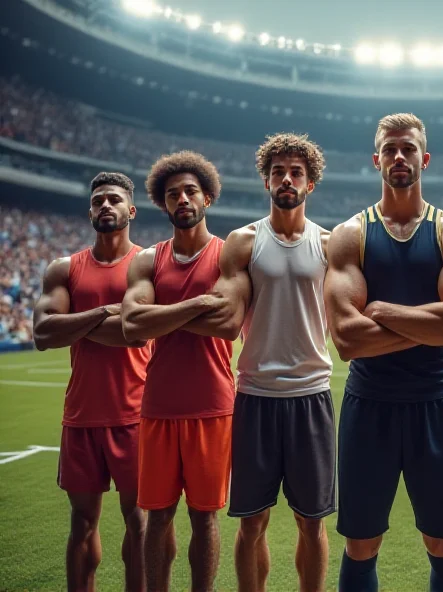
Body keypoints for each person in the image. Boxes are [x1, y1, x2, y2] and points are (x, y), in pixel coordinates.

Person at [324, 113, 443, 592]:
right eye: (389, 149)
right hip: (368, 406)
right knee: (361, 542)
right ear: (376, 160)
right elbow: (347, 339)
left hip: (435, 404)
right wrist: (430, 325)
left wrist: (385, 310)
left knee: (442, 540)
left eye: (408, 148)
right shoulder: (350, 234)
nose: (398, 157)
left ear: (424, 158)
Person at [190, 133, 336, 592]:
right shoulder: (243, 242)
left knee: (311, 523)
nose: (287, 179)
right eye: (278, 172)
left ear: (310, 183)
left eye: (296, 172)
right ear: (266, 180)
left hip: (311, 395)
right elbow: (228, 318)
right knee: (251, 523)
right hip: (254, 395)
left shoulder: (330, 244)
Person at [121, 151, 235, 592]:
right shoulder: (148, 260)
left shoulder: (228, 254)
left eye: (190, 191)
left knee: (204, 518)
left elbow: (227, 322)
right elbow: (133, 326)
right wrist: (198, 304)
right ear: (163, 204)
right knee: (157, 515)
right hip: (159, 406)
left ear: (207, 196)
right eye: (173, 195)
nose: (183, 199)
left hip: (212, 405)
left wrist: (162, 314)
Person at [33, 172, 150, 592]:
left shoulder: (148, 264)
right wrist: (103, 313)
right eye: (98, 200)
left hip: (135, 415)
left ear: (130, 210)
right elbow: (43, 333)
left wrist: (76, 323)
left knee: (140, 523)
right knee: (81, 522)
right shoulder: (64, 269)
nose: (105, 205)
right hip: (81, 415)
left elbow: (135, 332)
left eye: (114, 200)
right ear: (89, 212)